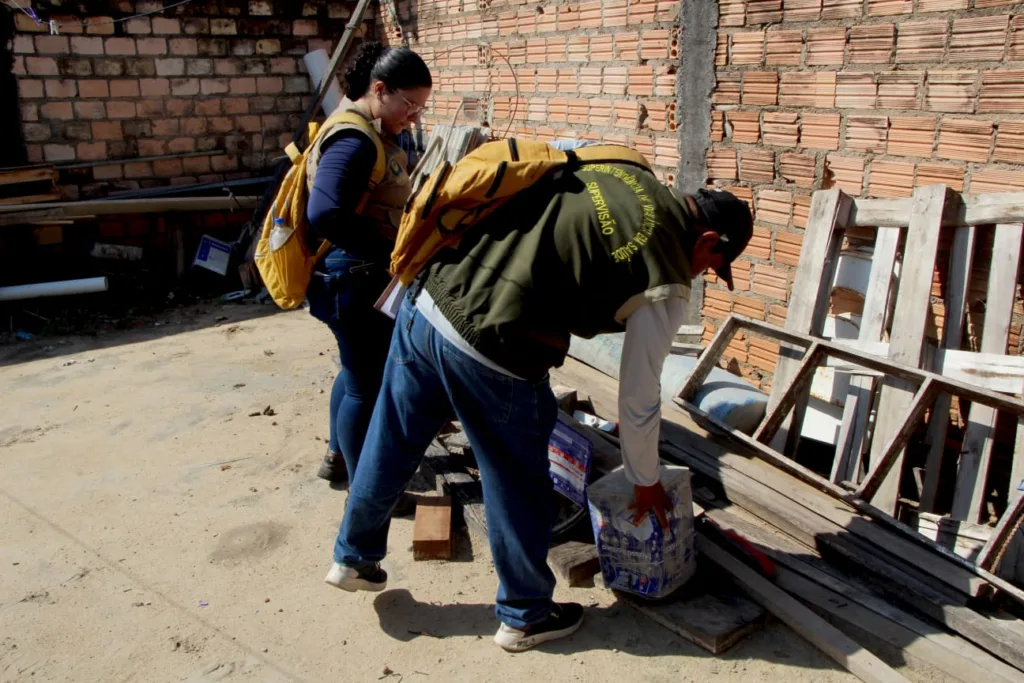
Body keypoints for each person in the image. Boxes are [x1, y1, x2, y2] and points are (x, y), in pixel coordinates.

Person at [324, 149, 753, 652]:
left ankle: (353, 555)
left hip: (428, 299)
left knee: (392, 438)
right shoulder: (667, 273)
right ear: (706, 240)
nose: (701, 275)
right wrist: (645, 480)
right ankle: (526, 614)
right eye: (711, 266)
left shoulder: (619, 169)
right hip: (494, 343)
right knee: (517, 477)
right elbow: (638, 397)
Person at [304, 41, 432, 511]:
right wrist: (390, 251)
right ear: (379, 89)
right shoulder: (355, 140)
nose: (414, 116)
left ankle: (338, 458)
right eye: (410, 104)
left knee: (354, 373)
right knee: (367, 383)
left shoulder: (362, 129)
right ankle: (368, 494)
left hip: (346, 275)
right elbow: (325, 212)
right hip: (353, 277)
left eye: (421, 107)